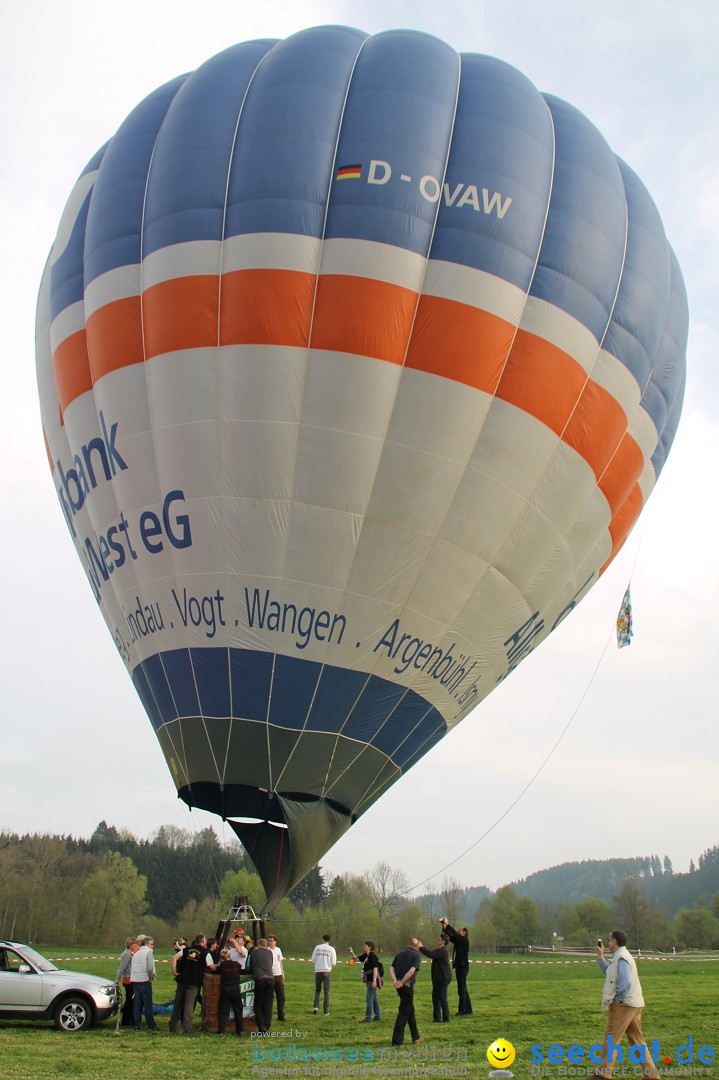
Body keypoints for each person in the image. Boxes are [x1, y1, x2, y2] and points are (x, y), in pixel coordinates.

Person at [590, 930, 662, 1079]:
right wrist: (600, 956)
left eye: (610, 940)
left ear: (614, 941)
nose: (608, 942)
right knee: (637, 1040)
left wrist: (618, 1000)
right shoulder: (621, 956)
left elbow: (625, 983)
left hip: (624, 1004)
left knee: (611, 1038)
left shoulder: (622, 958)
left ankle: (603, 1074)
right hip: (634, 1003)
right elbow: (609, 972)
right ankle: (652, 1076)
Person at [169, 932, 208, 1036]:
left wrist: (174, 972)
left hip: (182, 980)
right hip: (194, 983)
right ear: (203, 941)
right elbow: (211, 966)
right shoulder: (205, 953)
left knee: (177, 1003)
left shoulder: (186, 950)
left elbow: (173, 958)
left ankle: (172, 1026)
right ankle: (187, 1030)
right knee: (188, 1006)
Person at [389, 937, 423, 1047]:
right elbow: (412, 971)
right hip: (406, 985)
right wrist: (403, 982)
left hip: (399, 985)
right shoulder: (416, 956)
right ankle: (397, 1041)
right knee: (403, 1013)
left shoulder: (400, 954)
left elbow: (391, 968)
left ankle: (416, 1037)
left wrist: (395, 981)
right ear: (415, 945)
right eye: (419, 943)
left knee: (409, 1010)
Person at [441, 919, 472, 1016]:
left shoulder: (464, 940)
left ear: (464, 933)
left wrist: (448, 924)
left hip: (462, 967)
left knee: (461, 989)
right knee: (463, 988)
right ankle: (468, 1009)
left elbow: (455, 935)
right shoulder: (459, 940)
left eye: (460, 930)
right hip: (460, 967)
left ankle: (462, 1011)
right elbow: (451, 936)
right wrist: (444, 927)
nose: (458, 931)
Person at [418, 933, 452, 1023]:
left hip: (443, 978)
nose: (437, 940)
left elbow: (430, 954)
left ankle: (446, 1018)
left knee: (442, 998)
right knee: (435, 997)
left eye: (439, 939)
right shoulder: (440, 950)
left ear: (443, 942)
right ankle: (437, 1018)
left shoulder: (442, 951)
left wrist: (421, 947)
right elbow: (432, 953)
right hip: (438, 978)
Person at [348, 940, 382, 1023]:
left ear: (369, 947)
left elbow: (375, 969)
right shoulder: (366, 955)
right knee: (374, 998)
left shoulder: (373, 956)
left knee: (369, 998)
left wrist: (374, 981)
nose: (363, 947)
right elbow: (356, 959)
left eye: (365, 946)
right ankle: (378, 1016)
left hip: (372, 980)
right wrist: (352, 952)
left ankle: (368, 1018)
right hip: (368, 980)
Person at [130, 935, 158, 1031]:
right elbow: (150, 968)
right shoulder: (148, 953)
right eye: (151, 944)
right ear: (146, 944)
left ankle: (137, 1024)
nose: (152, 946)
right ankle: (151, 1025)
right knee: (148, 1004)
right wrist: (151, 977)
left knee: (137, 1004)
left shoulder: (136, 953)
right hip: (145, 981)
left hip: (135, 981)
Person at [248, 937, 275, 1033]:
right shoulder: (270, 953)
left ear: (258, 945)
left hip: (260, 979)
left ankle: (261, 1026)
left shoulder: (254, 952)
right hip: (271, 979)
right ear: (266, 945)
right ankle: (267, 1025)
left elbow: (250, 966)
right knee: (268, 1004)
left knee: (258, 1004)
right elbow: (270, 964)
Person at [217, 947, 244, 1036]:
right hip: (236, 989)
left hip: (225, 990)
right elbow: (241, 968)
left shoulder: (222, 966)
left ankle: (221, 1031)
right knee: (238, 1010)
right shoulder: (236, 964)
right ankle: (240, 1030)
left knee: (223, 1011)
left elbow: (216, 971)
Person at [311, 934, 336, 1016]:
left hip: (318, 971)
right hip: (327, 971)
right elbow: (333, 963)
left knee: (318, 990)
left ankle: (315, 1007)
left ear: (323, 939)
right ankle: (326, 1011)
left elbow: (313, 959)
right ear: (329, 940)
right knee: (327, 992)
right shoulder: (331, 949)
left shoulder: (317, 947)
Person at [115, 936, 138, 1027]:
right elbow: (122, 968)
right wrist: (117, 979)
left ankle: (129, 1019)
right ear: (130, 945)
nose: (135, 945)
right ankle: (126, 1020)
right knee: (129, 1000)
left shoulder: (129, 953)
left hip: (130, 978)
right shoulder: (127, 954)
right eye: (134, 944)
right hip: (128, 979)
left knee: (131, 1000)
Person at [267, 935, 286, 1021]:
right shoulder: (267, 950)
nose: (270, 942)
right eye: (269, 941)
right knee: (269, 996)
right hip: (270, 975)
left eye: (272, 941)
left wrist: (282, 972)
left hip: (278, 974)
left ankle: (281, 1014)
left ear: (275, 942)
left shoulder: (278, 950)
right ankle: (268, 1014)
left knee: (281, 996)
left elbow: (280, 961)